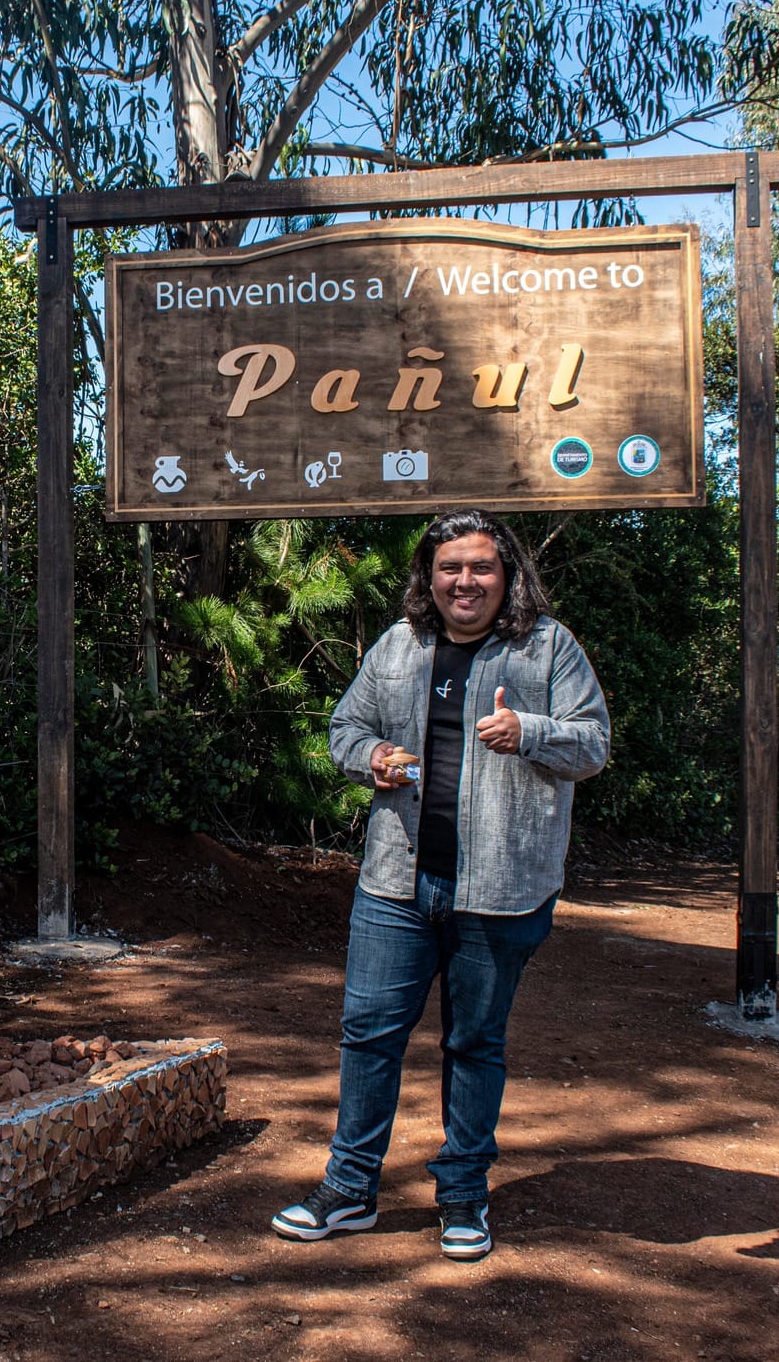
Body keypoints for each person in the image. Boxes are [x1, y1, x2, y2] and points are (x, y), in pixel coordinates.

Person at [271, 509, 608, 1261]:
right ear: (429, 576)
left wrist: (530, 731)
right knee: (369, 1034)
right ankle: (349, 1189)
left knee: (475, 1043)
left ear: (508, 575)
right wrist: (372, 757)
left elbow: (593, 744)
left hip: (501, 889)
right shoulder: (400, 643)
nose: (465, 581)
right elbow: (344, 729)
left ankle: (462, 1195)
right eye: (450, 567)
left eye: (482, 566)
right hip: (397, 884)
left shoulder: (548, 646)